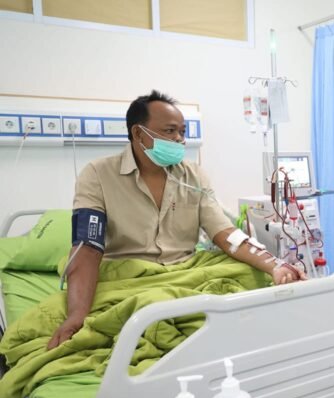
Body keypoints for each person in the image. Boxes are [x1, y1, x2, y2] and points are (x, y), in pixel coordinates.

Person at [48, 90, 301, 350]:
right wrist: (76, 315)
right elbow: (88, 248)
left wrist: (276, 265)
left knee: (251, 275)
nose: (179, 139)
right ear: (138, 134)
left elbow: (225, 233)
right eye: (170, 131)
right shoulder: (98, 175)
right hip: (131, 276)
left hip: (187, 271)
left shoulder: (193, 175)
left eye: (182, 131)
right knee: (145, 306)